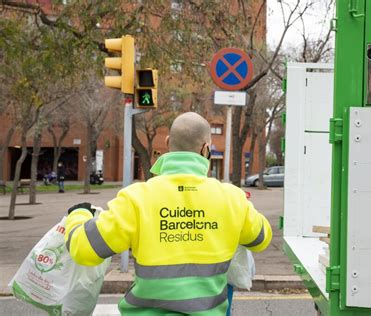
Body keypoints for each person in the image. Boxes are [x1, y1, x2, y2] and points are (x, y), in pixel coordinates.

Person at [65, 112, 273, 315]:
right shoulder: (231, 198)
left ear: (167, 143)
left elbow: (84, 249)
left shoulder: (136, 198)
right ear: (206, 149)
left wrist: (79, 214)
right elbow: (261, 239)